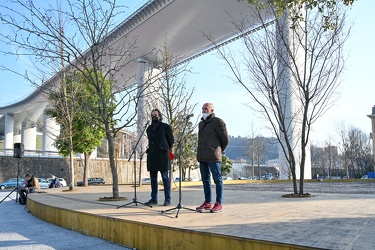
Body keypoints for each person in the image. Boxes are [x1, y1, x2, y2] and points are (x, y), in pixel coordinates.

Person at [196, 102, 229, 213]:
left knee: (217, 180)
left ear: (212, 110)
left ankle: (218, 203)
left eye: (206, 108)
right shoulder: (201, 124)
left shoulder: (218, 122)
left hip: (213, 156)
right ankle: (207, 202)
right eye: (203, 108)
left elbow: (224, 139)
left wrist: (218, 150)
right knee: (205, 180)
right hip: (202, 156)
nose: (204, 110)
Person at [144, 108, 174, 206]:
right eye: (152, 115)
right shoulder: (148, 128)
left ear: (160, 116)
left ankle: (167, 199)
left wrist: (164, 148)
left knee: (165, 178)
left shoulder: (165, 127)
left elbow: (171, 141)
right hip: (152, 156)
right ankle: (154, 199)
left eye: (156, 114)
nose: (154, 116)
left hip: (162, 156)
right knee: (153, 179)